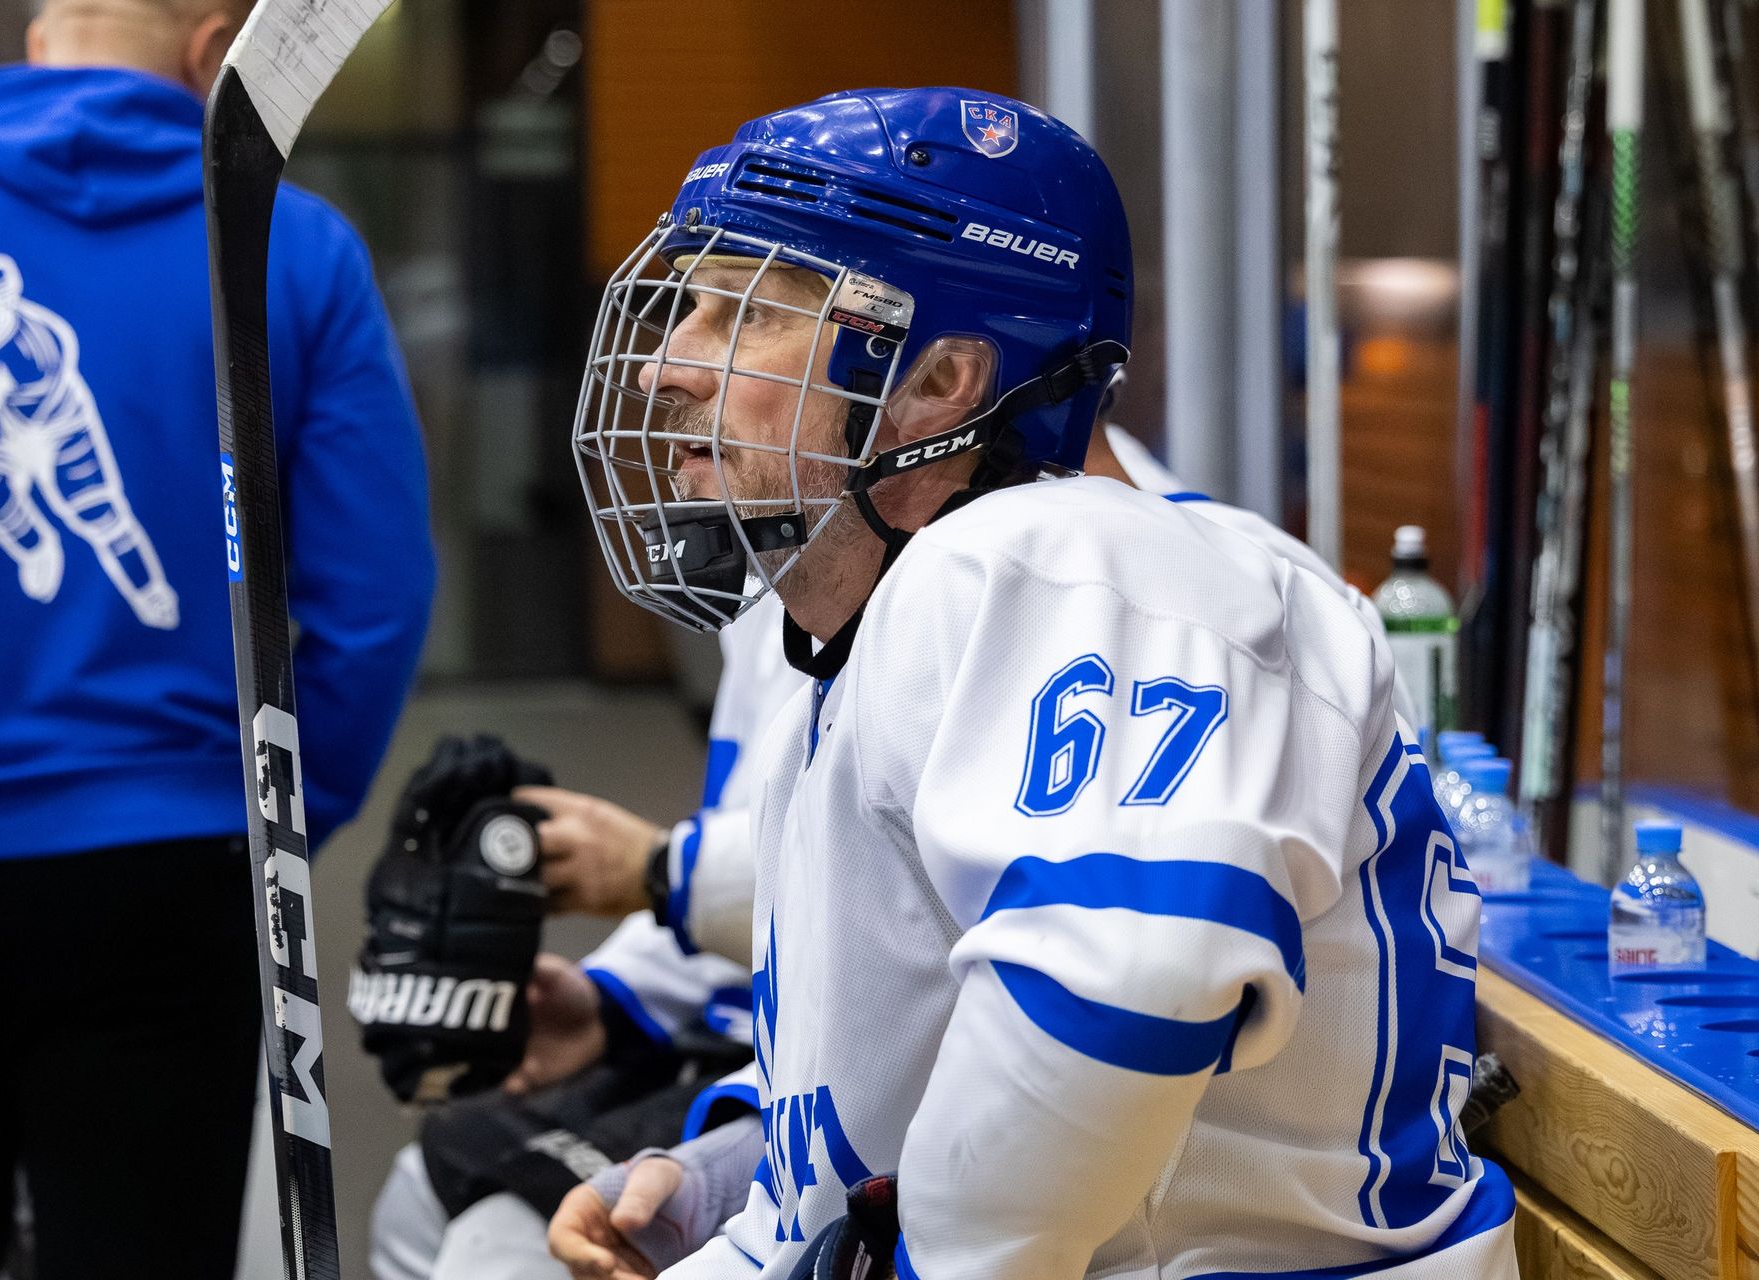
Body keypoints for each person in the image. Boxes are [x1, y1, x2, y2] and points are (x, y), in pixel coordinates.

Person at [563, 86, 1518, 1278]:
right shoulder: (890, 627)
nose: (666, 366)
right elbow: (930, 1049)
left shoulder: (1072, 562)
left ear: (939, 379)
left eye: (745, 313)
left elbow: (1135, 968)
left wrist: (946, 1261)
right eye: (687, 308)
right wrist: (728, 1178)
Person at [0, 1, 436, 1276]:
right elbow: (374, 594)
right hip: (170, 859)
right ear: (213, 44)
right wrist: (275, 822)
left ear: (41, 35)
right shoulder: (289, 245)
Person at [368, 597, 804, 1280]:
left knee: (506, 1247)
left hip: (827, 1064)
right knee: (420, 1190)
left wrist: (668, 871)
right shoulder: (766, 604)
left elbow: (874, 899)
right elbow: (775, 870)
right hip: (740, 1029)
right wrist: (610, 1004)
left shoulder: (936, 585)